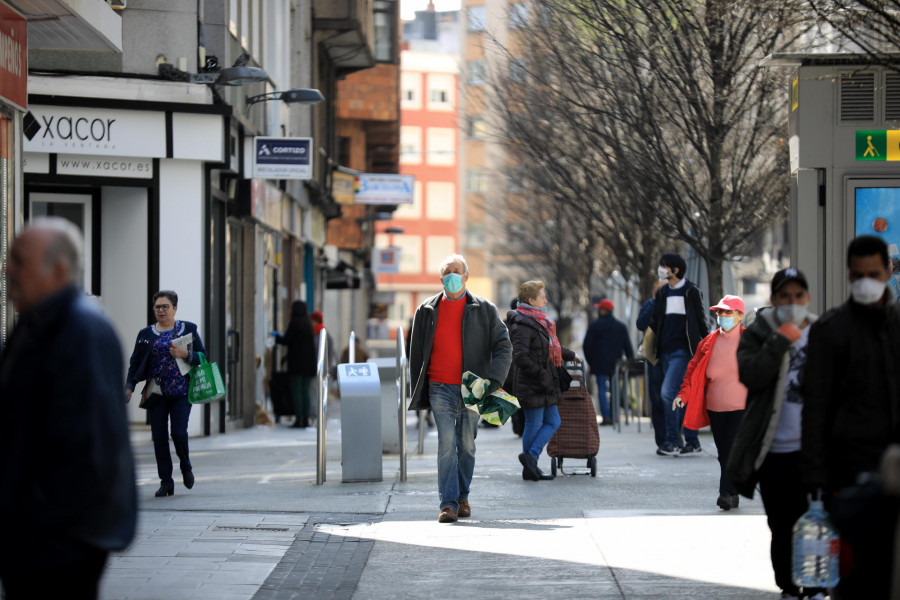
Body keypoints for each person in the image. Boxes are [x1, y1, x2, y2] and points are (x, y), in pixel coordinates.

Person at [0, 218, 137, 598]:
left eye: (19, 260)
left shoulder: (80, 330)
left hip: (58, 539)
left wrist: (37, 522)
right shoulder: (37, 322)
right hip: (37, 532)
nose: (8, 269)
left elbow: (85, 445)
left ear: (58, 269)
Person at [802, 235, 900, 599]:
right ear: (848, 276)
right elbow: (816, 407)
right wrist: (814, 476)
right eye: (858, 276)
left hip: (895, 469)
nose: (866, 283)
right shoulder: (831, 331)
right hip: (849, 472)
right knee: (856, 576)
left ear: (889, 271)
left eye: (873, 273)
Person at [728, 268, 824, 600]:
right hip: (772, 450)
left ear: (807, 298)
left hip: (812, 449)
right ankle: (788, 585)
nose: (792, 302)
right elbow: (751, 375)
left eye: (798, 296)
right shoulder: (758, 332)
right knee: (781, 524)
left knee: (813, 520)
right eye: (785, 296)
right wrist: (781, 339)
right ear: (773, 299)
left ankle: (814, 583)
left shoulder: (822, 331)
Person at [408, 254, 512, 523]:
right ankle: (448, 503)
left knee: (466, 445)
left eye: (456, 271)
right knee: (446, 444)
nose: (451, 275)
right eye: (446, 272)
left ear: (466, 276)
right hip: (439, 385)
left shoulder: (485, 309)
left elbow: (503, 346)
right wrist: (417, 390)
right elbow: (416, 354)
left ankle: (463, 496)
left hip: (473, 389)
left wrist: (493, 380)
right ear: (440, 278)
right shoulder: (426, 310)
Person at [126, 289, 207, 496]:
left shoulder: (186, 329)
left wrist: (186, 353)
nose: (161, 311)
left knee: (179, 433)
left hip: (181, 391)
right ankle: (166, 481)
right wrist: (129, 386)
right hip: (156, 394)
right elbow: (135, 362)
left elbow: (203, 357)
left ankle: (186, 465)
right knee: (159, 437)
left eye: (165, 307)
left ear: (175, 308)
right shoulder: (146, 334)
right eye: (157, 307)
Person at [672, 295, 747, 510]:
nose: (722, 316)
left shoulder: (750, 341)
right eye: (719, 312)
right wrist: (682, 395)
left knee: (732, 449)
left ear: (740, 316)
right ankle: (732, 492)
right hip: (715, 407)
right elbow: (692, 374)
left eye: (727, 312)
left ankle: (726, 493)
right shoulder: (707, 343)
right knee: (724, 452)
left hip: (741, 407)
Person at [507, 281, 578, 481]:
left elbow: (549, 346)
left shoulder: (539, 321)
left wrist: (570, 354)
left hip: (543, 382)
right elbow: (520, 356)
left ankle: (530, 460)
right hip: (534, 383)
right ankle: (531, 462)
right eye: (542, 296)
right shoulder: (522, 323)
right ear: (531, 300)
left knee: (553, 421)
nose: (545, 299)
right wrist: (541, 373)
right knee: (534, 423)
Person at [649, 252, 709, 456]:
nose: (661, 269)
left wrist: (707, 346)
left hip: (684, 353)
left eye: (664, 266)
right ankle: (691, 441)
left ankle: (672, 439)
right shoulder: (663, 293)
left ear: (675, 270)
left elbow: (701, 321)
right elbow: (656, 322)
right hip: (664, 353)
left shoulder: (691, 291)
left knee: (667, 393)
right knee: (680, 396)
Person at [583, 298, 634, 425]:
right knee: (614, 389)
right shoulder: (621, 326)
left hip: (599, 363)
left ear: (603, 310)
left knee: (601, 389)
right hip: (616, 364)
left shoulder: (594, 326)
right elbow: (628, 347)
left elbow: (586, 345)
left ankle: (606, 417)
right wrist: (629, 362)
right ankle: (614, 415)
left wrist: (591, 361)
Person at [273, 300, 317, 428]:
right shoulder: (308, 325)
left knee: (296, 391)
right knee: (305, 391)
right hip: (309, 365)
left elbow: (287, 340)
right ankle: (306, 419)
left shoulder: (294, 323)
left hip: (297, 364)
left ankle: (299, 419)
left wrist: (276, 337)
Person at [636, 278, 667, 452]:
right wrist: (656, 304)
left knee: (671, 396)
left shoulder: (677, 304)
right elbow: (640, 324)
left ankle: (674, 436)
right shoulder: (651, 304)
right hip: (654, 356)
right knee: (657, 398)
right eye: (659, 290)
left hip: (672, 354)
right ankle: (662, 440)